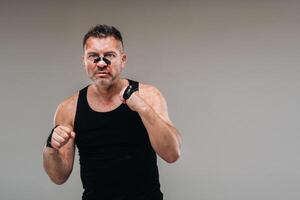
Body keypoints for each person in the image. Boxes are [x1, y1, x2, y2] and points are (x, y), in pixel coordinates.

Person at [43, 24, 182, 200]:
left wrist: (143, 108)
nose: (101, 63)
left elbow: (172, 154)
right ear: (84, 61)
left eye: (109, 56)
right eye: (93, 56)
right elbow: (58, 176)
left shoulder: (148, 95)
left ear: (122, 60)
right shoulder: (69, 108)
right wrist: (50, 148)